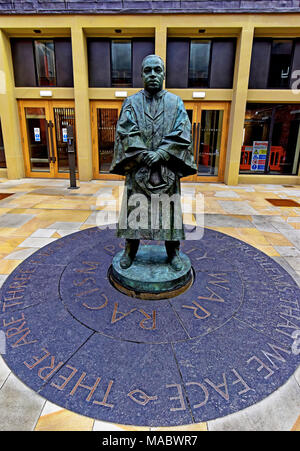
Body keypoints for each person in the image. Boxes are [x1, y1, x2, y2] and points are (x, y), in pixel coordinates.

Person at [110, 54, 197, 271]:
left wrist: (162, 153)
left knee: (169, 213)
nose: (152, 75)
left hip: (166, 169)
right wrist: (143, 155)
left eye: (157, 70)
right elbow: (125, 130)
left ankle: (173, 252)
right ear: (141, 75)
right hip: (138, 169)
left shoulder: (175, 102)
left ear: (164, 74)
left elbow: (182, 132)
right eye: (147, 71)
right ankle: (130, 250)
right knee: (134, 212)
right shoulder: (131, 102)